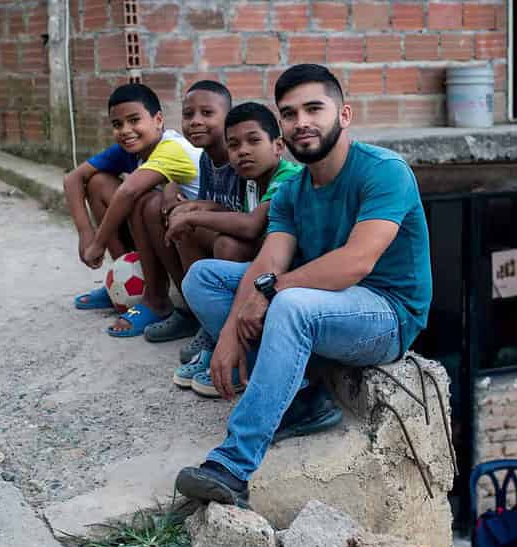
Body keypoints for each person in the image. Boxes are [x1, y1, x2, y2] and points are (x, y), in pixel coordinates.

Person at [173, 64, 432, 507]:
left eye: (314, 108)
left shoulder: (384, 171)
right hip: (321, 301)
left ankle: (233, 466)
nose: (301, 122)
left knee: (288, 302)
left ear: (344, 114)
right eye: (290, 114)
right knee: (204, 277)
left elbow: (355, 262)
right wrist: (231, 332)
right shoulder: (294, 189)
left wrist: (269, 293)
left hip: (387, 313)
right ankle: (301, 401)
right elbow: (269, 260)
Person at [168, 101, 303, 395]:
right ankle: (216, 334)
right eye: (234, 145)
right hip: (264, 269)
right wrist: (203, 206)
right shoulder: (253, 180)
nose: (242, 151)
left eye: (253, 141)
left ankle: (238, 354)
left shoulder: (288, 176)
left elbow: (252, 225)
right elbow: (245, 218)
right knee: (214, 237)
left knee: (228, 244)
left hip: (291, 276)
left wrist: (193, 215)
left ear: (278, 146)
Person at [71, 83, 203, 338]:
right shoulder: (141, 151)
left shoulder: (172, 146)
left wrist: (97, 243)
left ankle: (162, 300)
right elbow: (72, 179)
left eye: (134, 120)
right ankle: (125, 278)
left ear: (158, 120)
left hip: (201, 235)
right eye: (117, 124)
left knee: (144, 201)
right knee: (101, 183)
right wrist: (84, 233)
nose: (125, 130)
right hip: (184, 230)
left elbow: (128, 191)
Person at [144, 80, 236, 356]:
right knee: (184, 223)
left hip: (251, 245)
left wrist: (195, 211)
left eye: (207, 114)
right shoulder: (207, 159)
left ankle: (223, 329)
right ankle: (197, 315)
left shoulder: (240, 156)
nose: (195, 122)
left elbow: (247, 216)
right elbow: (211, 202)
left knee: (219, 240)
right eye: (188, 115)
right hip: (228, 233)